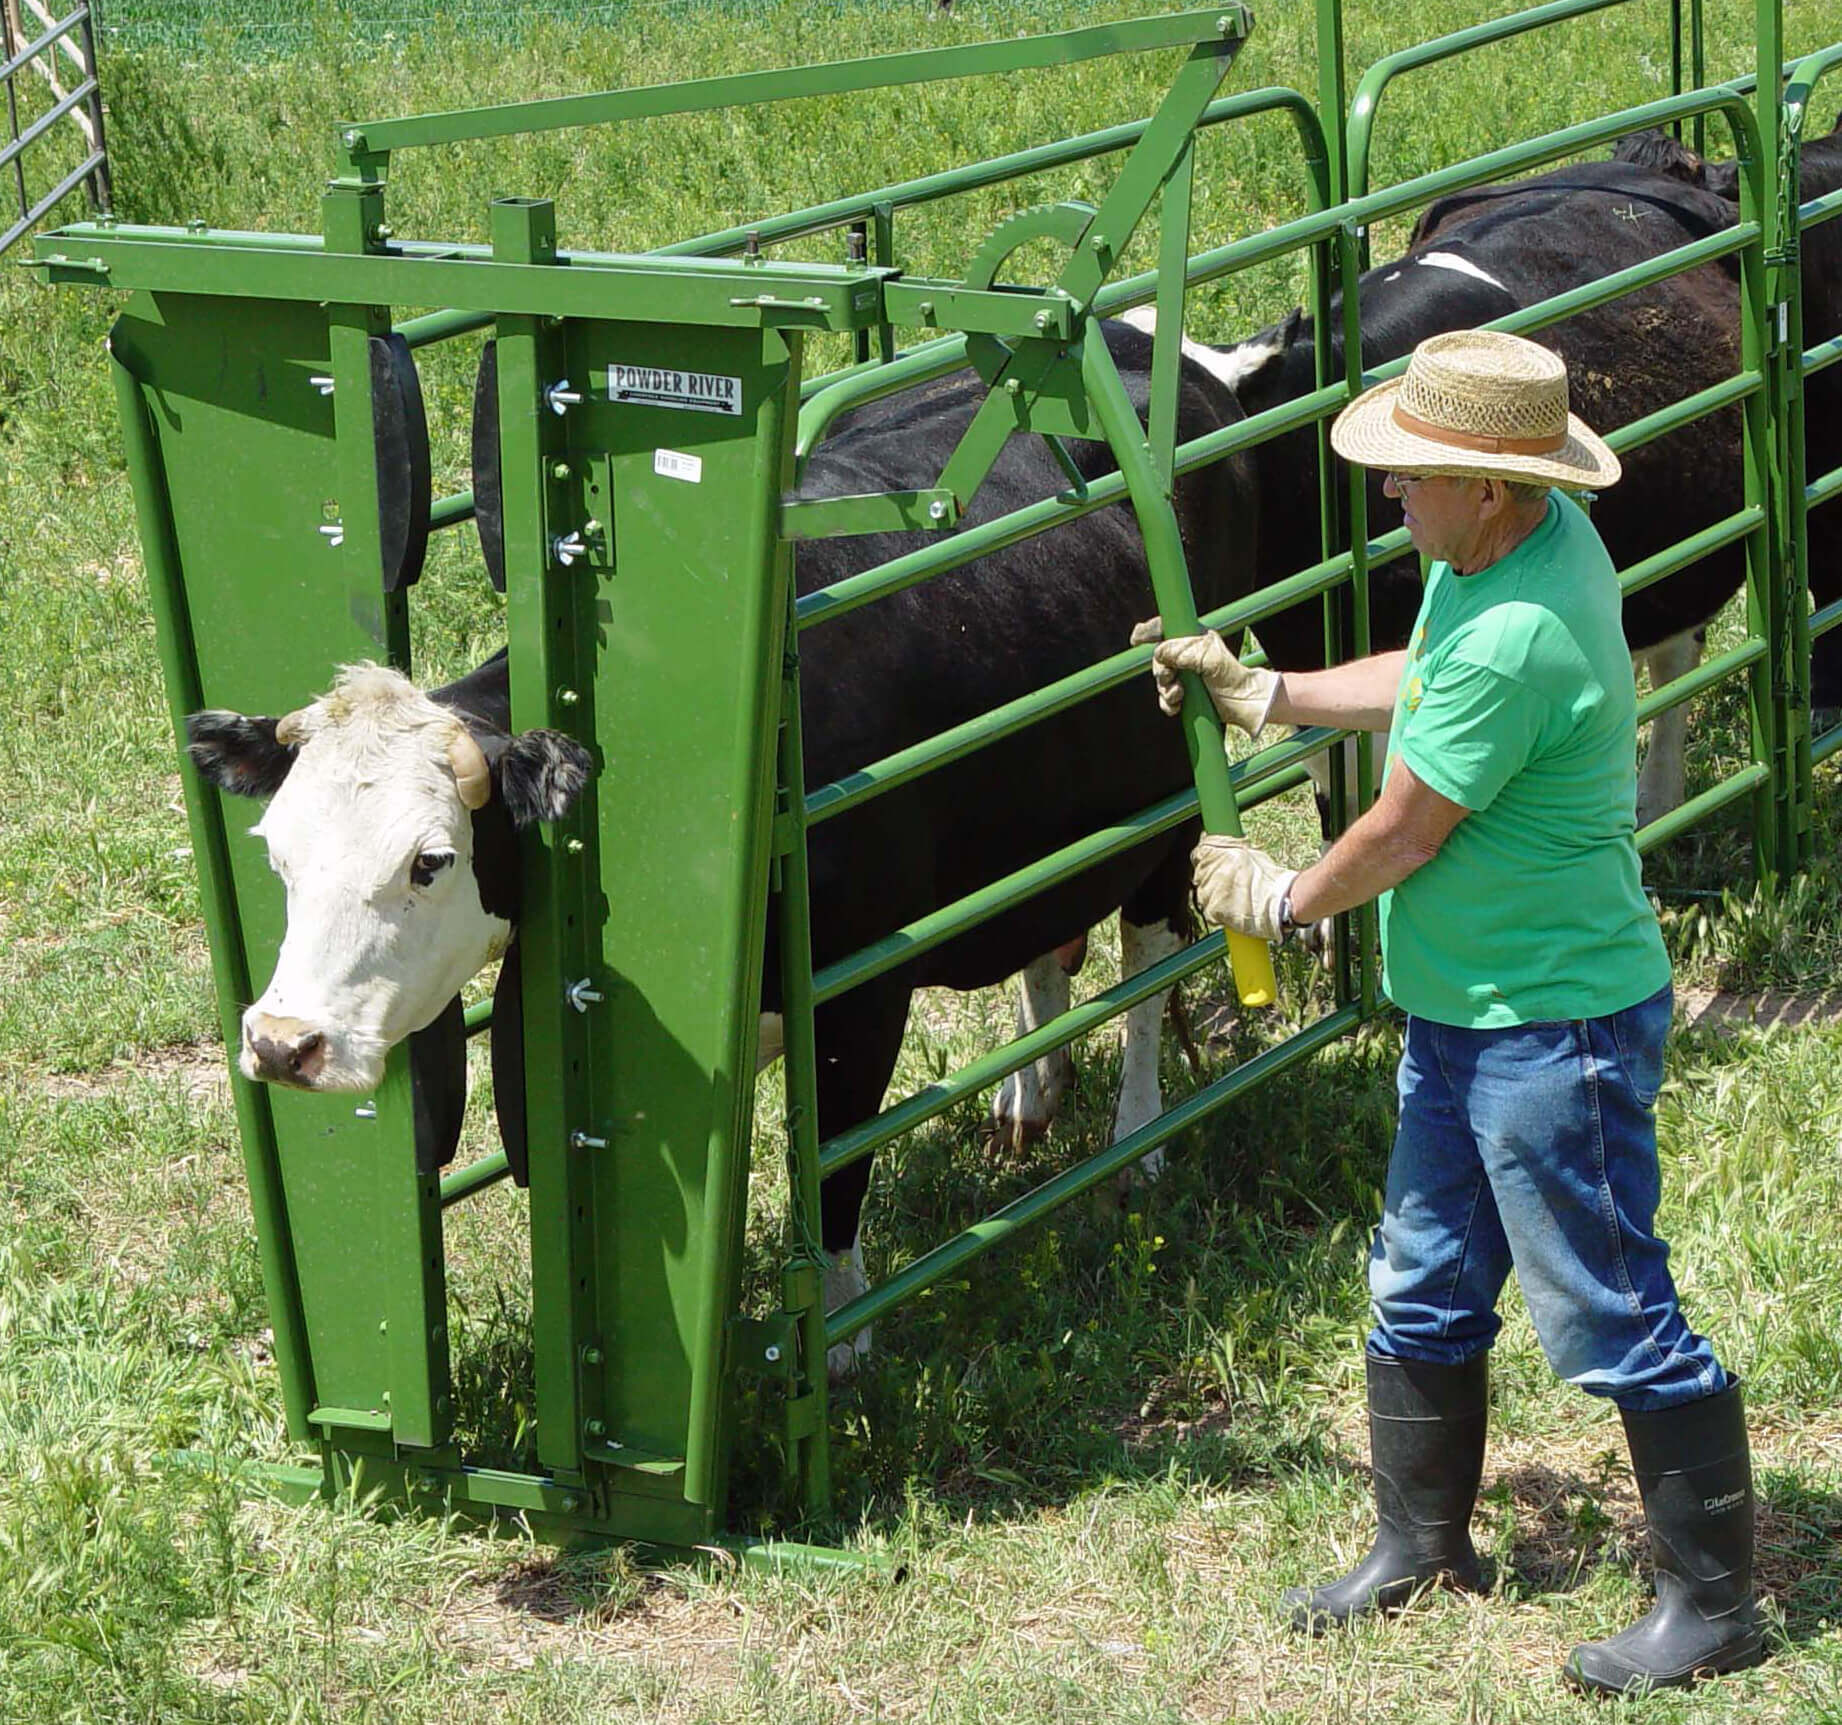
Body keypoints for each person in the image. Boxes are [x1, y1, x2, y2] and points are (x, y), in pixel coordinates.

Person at [1143, 330, 1761, 1695]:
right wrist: (1275, 692)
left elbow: (1403, 826)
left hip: (1552, 1025)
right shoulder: (1500, 558)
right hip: (1467, 1008)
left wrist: (1282, 897)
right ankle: (1419, 1542)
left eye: (1411, 475)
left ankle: (1715, 1601)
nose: (1389, 496)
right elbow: (1419, 688)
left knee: (1608, 1305)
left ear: (1492, 486)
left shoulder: (1519, 632)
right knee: (1420, 1276)